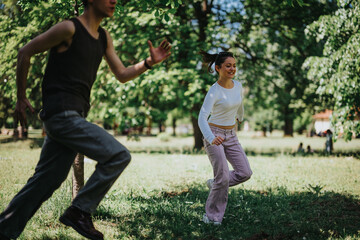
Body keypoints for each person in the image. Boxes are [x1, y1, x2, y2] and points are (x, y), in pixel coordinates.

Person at [0, 0, 171, 239]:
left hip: (74, 116)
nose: (114, 1)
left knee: (46, 181)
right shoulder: (69, 28)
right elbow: (24, 51)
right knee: (118, 155)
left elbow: (121, 74)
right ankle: (79, 211)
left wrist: (148, 63)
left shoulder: (103, 37)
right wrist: (20, 97)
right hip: (61, 114)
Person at [198, 51, 252, 225]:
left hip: (231, 135)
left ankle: (217, 182)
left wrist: (240, 117)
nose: (232, 69)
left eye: (234, 65)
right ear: (218, 68)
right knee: (223, 177)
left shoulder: (238, 86)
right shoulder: (214, 91)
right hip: (214, 135)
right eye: (228, 65)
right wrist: (211, 137)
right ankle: (212, 217)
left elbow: (239, 104)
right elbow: (202, 117)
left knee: (245, 172)